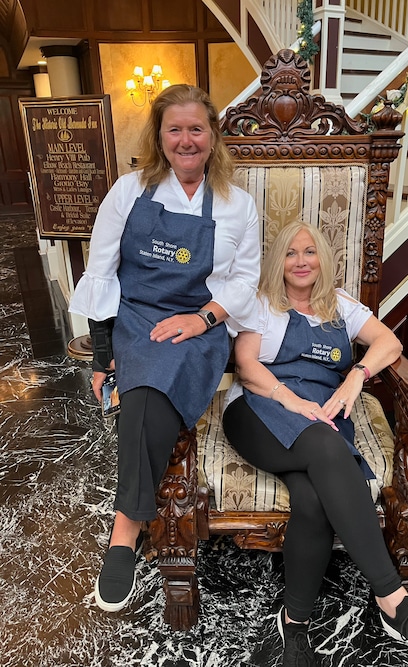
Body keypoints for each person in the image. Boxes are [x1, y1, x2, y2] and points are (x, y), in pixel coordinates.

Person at [222, 222, 408, 667]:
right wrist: (291, 399)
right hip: (259, 407)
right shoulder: (261, 303)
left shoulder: (340, 304)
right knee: (327, 448)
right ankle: (395, 603)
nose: (301, 261)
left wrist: (357, 376)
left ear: (322, 258)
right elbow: (246, 366)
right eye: (290, 253)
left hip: (322, 414)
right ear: (278, 261)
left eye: (309, 251)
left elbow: (388, 342)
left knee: (311, 500)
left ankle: (294, 624)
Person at [69, 84, 261, 612]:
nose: (185, 140)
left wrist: (202, 319)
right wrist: (104, 354)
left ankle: (124, 529)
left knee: (152, 383)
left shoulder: (237, 205)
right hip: (137, 316)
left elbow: (244, 281)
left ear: (213, 135)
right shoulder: (128, 191)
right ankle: (127, 529)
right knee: (144, 386)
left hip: (201, 322)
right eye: (174, 129)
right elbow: (102, 271)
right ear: (159, 137)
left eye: (196, 128)